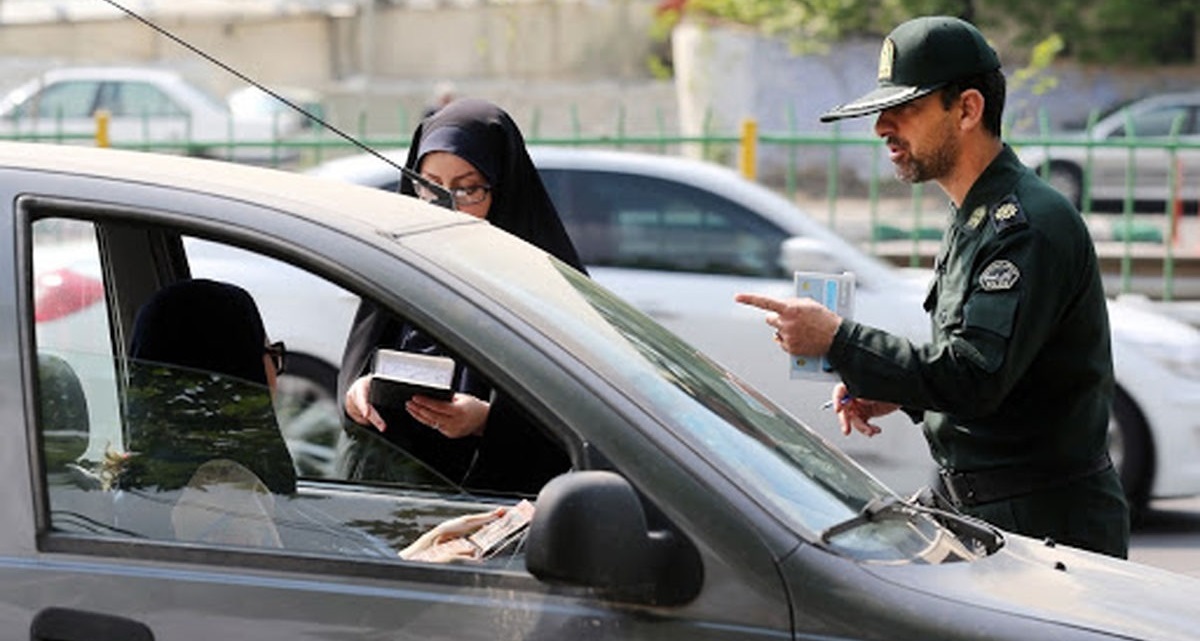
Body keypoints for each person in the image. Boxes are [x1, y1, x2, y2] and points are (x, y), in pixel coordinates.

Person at [735, 16, 1130, 558]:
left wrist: (838, 340)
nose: (882, 127)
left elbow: (973, 377)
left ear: (967, 109)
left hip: (1045, 531)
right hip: (988, 516)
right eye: (882, 111)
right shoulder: (977, 215)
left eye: (906, 108)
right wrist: (897, 392)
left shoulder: (1027, 225)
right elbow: (999, 384)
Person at [339, 98, 582, 495]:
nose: (446, 206)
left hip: (493, 512)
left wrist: (487, 422)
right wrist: (358, 396)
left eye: (468, 190)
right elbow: (356, 370)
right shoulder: (399, 265)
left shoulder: (543, 282)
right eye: (430, 187)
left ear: (502, 189)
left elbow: (578, 413)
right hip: (388, 504)